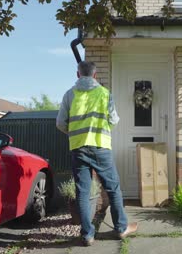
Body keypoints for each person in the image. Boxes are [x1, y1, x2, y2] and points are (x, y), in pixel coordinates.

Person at [56, 61, 137, 246]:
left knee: (83, 193)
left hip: (78, 147)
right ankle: (121, 228)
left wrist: (76, 133)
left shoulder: (69, 94)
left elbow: (60, 123)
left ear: (78, 75)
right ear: (95, 75)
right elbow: (114, 119)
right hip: (101, 147)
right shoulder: (104, 93)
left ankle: (87, 235)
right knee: (113, 188)